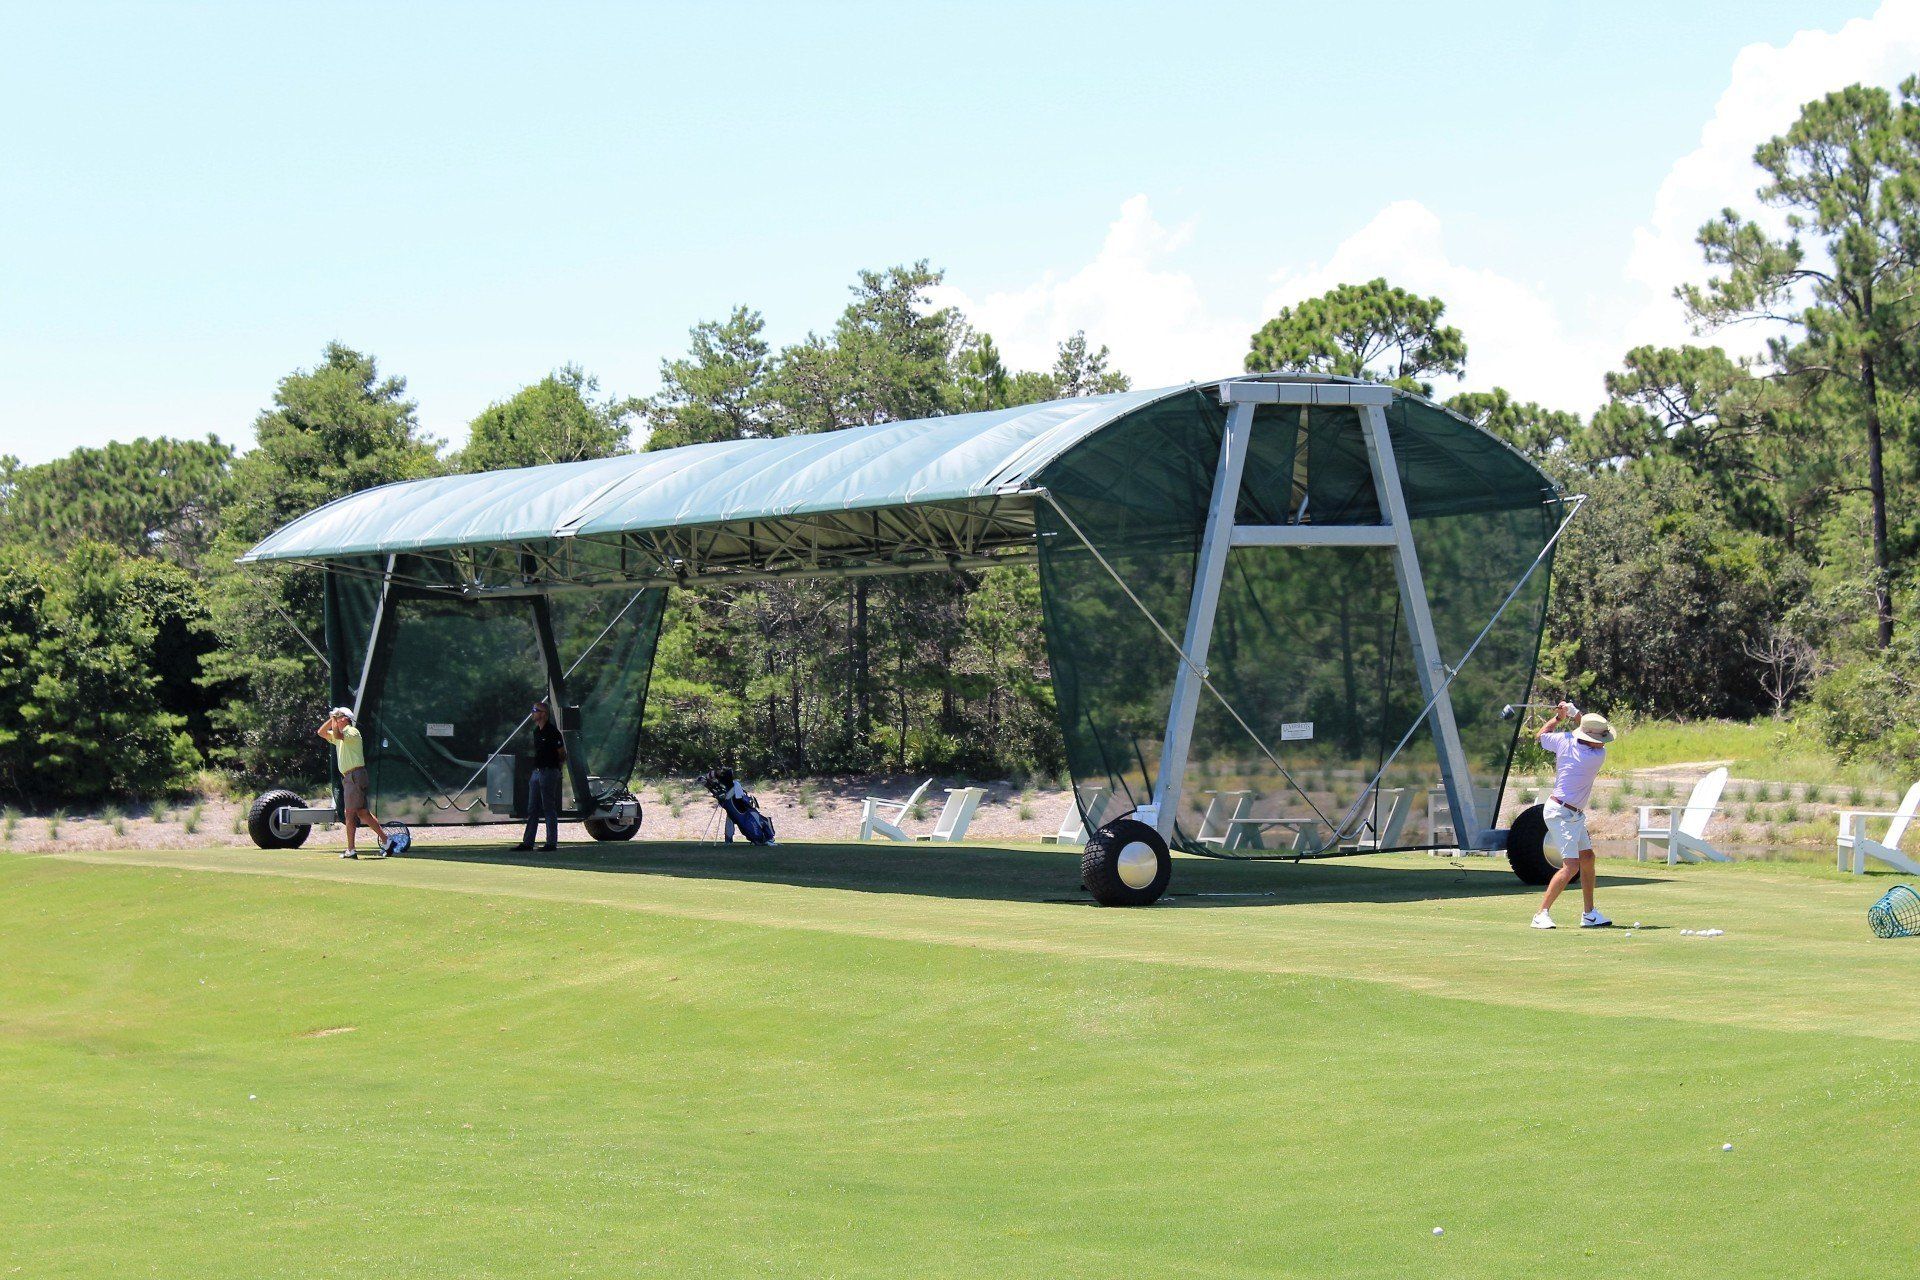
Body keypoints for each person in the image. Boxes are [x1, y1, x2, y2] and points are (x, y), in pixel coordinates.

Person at [1530, 701, 1616, 929]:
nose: (1601, 743)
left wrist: (1558, 718)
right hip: (1560, 812)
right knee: (1571, 866)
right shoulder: (1597, 755)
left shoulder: (1564, 740)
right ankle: (1541, 914)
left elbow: (1541, 736)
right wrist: (1575, 713)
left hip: (1573, 813)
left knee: (1587, 858)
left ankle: (1589, 914)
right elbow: (1586, 729)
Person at [317, 706, 387, 859]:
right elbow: (321, 732)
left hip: (354, 776)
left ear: (346, 719)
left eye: (339, 716)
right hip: (351, 777)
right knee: (363, 813)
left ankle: (351, 850)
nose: (336, 719)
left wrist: (334, 719)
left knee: (349, 814)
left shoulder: (351, 732)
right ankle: (387, 842)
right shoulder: (340, 734)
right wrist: (332, 718)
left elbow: (336, 733)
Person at [512, 700, 566, 852]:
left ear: (543, 714)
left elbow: (562, 754)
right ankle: (528, 843)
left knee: (548, 807)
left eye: (535, 710)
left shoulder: (553, 732)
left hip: (549, 772)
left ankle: (551, 843)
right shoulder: (536, 732)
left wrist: (556, 769)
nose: (533, 712)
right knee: (532, 808)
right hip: (536, 773)